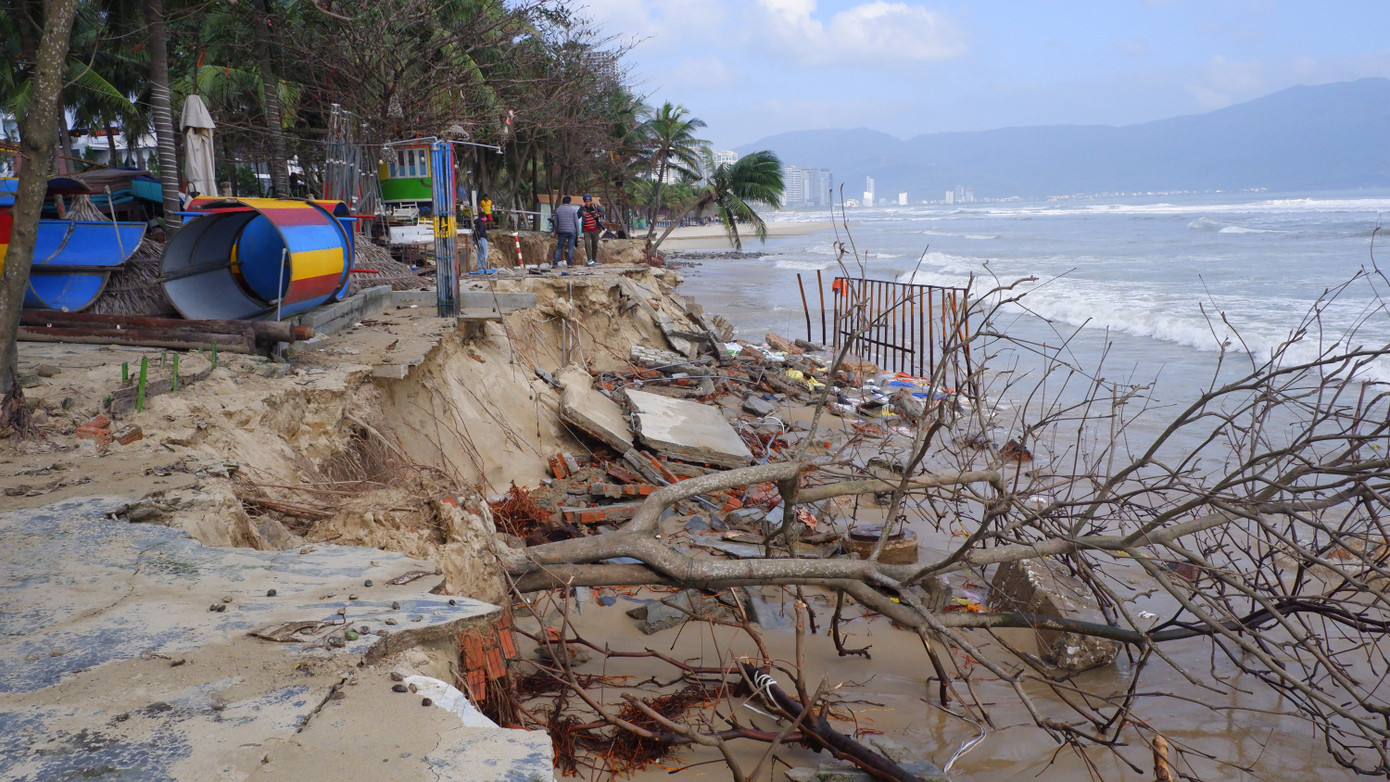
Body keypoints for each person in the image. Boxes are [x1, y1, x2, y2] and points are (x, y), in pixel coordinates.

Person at [552, 195, 581, 267]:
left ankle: (555, 263)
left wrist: (556, 232)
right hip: (572, 232)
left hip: (562, 231)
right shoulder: (573, 210)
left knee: (559, 247)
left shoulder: (558, 210)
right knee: (571, 248)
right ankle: (570, 264)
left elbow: (556, 223)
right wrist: (578, 233)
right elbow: (576, 223)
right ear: (569, 202)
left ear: (562, 201)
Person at [579, 194, 605, 266]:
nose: (587, 203)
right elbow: (577, 216)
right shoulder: (582, 208)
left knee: (595, 245)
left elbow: (602, 212)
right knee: (587, 245)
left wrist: (599, 214)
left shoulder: (596, 207)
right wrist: (581, 208)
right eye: (586, 201)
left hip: (595, 229)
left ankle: (594, 259)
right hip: (586, 230)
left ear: (591, 201)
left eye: (589, 201)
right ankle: (589, 260)